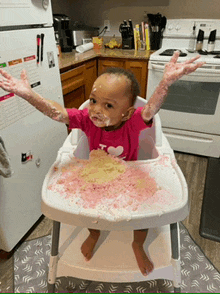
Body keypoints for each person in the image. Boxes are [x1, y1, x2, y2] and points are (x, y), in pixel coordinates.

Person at [0, 51, 204, 276]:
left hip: (129, 177)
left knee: (144, 210)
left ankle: (137, 243)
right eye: (94, 101)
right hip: (99, 179)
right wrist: (29, 94)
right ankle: (94, 233)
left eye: (108, 106)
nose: (96, 109)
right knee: (90, 209)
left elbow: (150, 109)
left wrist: (165, 83)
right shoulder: (87, 121)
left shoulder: (133, 124)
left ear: (126, 113)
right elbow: (56, 113)